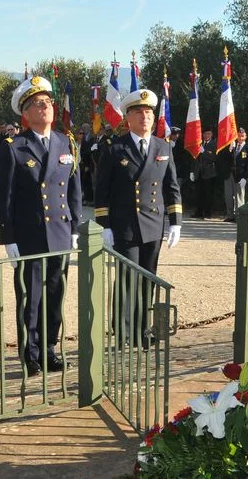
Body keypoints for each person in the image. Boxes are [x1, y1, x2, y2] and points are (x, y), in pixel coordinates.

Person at [0, 76, 83, 376]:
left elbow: (74, 189)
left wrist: (75, 227)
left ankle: (49, 349)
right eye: (37, 104)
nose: (45, 107)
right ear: (25, 113)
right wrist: (8, 238)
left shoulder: (65, 142)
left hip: (60, 231)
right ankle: (30, 353)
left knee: (55, 295)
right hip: (29, 234)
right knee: (30, 297)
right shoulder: (14, 147)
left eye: (47, 102)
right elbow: (5, 198)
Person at [94, 88, 182, 348]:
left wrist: (175, 222)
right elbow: (101, 190)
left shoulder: (163, 146)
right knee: (126, 280)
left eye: (148, 113)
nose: (145, 117)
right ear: (128, 118)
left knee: (147, 279)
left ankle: (142, 330)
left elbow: (172, 187)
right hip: (125, 225)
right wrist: (104, 225)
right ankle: (123, 332)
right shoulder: (115, 148)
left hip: (153, 224)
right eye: (138, 113)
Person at [222, 128, 248, 222]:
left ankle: (239, 217)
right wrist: (230, 149)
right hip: (229, 174)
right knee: (228, 196)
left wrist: (245, 178)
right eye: (239, 136)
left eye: (242, 136)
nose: (240, 138)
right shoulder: (233, 146)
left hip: (240, 175)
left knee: (239, 197)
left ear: (245, 137)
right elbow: (224, 158)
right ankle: (230, 215)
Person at [191, 129, 217, 218]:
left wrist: (204, 152)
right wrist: (192, 171)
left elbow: (214, 157)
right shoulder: (200, 143)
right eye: (205, 134)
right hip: (199, 172)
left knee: (208, 194)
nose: (207, 135)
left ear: (211, 135)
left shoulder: (214, 144)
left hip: (209, 173)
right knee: (199, 193)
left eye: (209, 134)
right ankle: (199, 212)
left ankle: (207, 213)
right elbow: (194, 158)